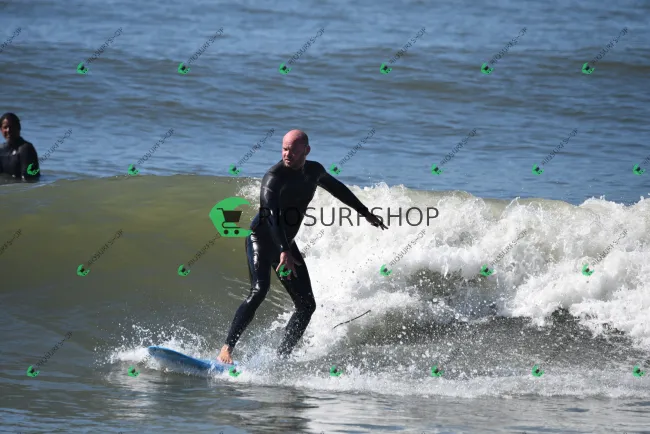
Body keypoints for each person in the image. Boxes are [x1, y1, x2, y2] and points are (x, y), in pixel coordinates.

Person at [217, 129, 388, 363]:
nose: (287, 154)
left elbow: (338, 189)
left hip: (286, 244)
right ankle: (227, 349)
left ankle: (281, 358)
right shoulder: (274, 177)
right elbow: (270, 215)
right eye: (284, 149)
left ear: (306, 151)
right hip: (262, 238)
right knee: (259, 291)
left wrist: (365, 212)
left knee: (307, 305)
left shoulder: (314, 171)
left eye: (293, 151)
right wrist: (284, 250)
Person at [0, 113, 40, 181]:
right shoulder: (1, 150)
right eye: (5, 127)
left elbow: (29, 180)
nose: (8, 130)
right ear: (1, 129)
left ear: (19, 127)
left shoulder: (26, 149)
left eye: (11, 127)